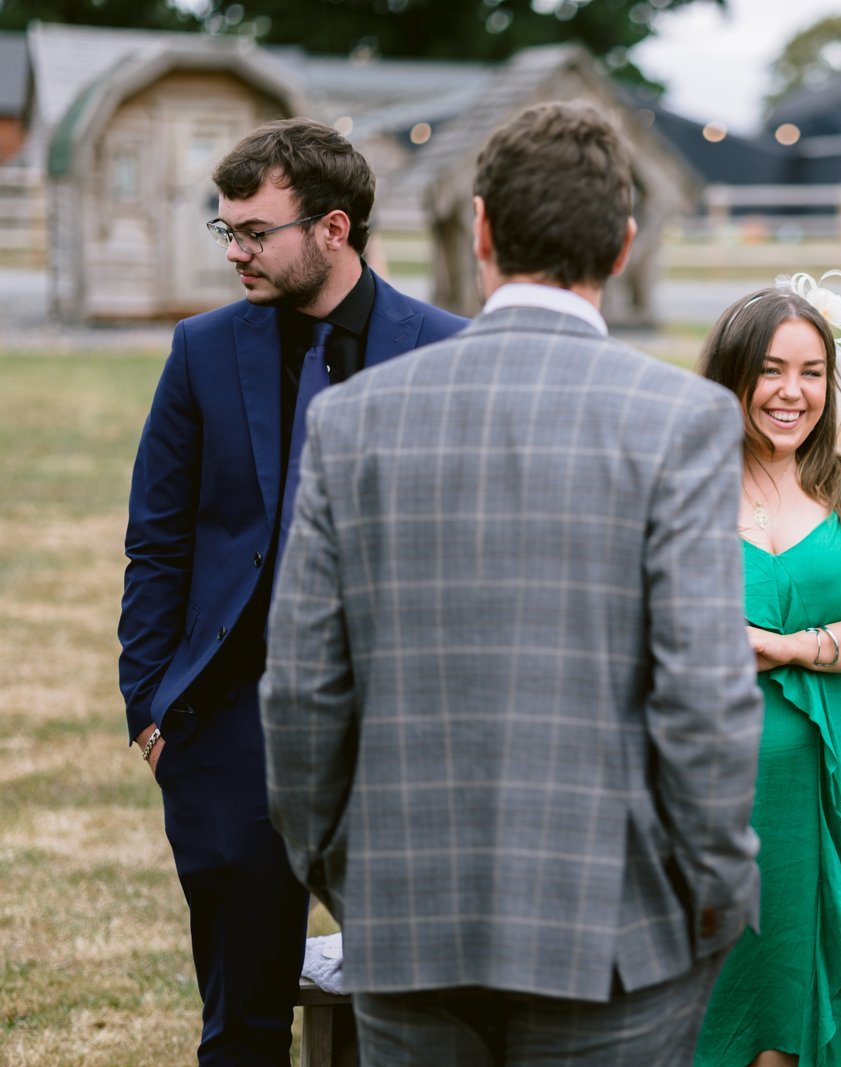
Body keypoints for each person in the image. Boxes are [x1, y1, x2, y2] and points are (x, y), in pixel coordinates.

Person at [259, 102, 764, 1065]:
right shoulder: (680, 419)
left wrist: (347, 873)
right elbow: (705, 696)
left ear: (482, 229)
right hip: (617, 928)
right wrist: (717, 891)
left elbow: (302, 692)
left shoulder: (354, 419)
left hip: (409, 916)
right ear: (622, 246)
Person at [116, 118, 465, 1064]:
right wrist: (152, 703)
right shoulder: (201, 350)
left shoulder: (446, 351)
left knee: (421, 1020)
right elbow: (158, 539)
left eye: (253, 231)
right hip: (232, 730)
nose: (235, 251)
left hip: (401, 736)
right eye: (224, 230)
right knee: (243, 1029)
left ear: (333, 228)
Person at [691, 274, 841, 1067]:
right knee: (722, 1002)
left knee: (816, 983)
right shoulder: (689, 481)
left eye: (812, 373)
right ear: (731, 374)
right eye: (771, 370)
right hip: (714, 787)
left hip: (829, 782)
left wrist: (792, 647)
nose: (793, 392)